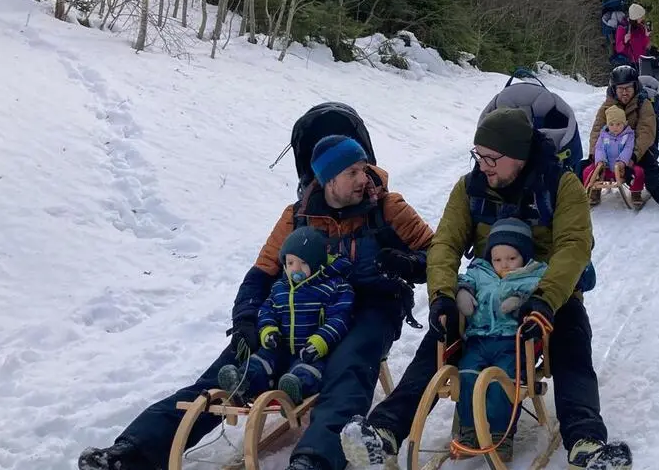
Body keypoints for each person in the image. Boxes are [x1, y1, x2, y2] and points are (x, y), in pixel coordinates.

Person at [78, 135, 434, 470]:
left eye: (364, 169)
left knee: (348, 369)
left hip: (369, 308)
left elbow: (437, 253)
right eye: (352, 172)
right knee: (229, 369)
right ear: (327, 180)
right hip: (300, 307)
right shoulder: (296, 216)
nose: (364, 178)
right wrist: (247, 317)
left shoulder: (388, 207)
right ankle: (134, 450)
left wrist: (408, 263)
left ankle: (315, 459)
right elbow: (263, 272)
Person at [341, 108, 633, 470]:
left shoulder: (561, 185)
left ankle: (586, 441)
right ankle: (384, 433)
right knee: (437, 344)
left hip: (545, 294)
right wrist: (443, 296)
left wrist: (545, 300)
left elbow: (574, 245)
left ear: (519, 156)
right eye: (478, 155)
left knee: (571, 340)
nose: (483, 165)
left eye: (491, 158)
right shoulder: (470, 188)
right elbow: (445, 245)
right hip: (485, 294)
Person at [216, 227, 354, 405]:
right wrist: (267, 330)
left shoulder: (333, 287)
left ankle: (295, 388)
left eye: (303, 263)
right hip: (280, 346)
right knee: (260, 360)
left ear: (317, 262)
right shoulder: (280, 288)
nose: (295, 269)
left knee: (308, 371)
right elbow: (267, 310)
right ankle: (243, 381)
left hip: (312, 351)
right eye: (290, 263)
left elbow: (340, 318)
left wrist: (320, 341)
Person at [452, 218, 548, 462]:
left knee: (502, 382)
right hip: (478, 339)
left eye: (511, 258)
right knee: (467, 376)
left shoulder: (531, 274)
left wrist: (521, 300)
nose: (503, 265)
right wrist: (463, 292)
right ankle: (468, 430)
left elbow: (542, 291)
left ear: (523, 256)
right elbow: (466, 279)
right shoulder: (481, 271)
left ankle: (500, 435)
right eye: (498, 259)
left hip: (512, 342)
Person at [586, 65, 659, 209]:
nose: (624, 92)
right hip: (609, 149)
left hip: (636, 151)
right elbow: (597, 131)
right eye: (620, 88)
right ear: (614, 89)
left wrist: (633, 156)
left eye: (628, 88)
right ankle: (578, 196)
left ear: (635, 87)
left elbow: (646, 132)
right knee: (584, 167)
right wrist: (594, 155)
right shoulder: (607, 107)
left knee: (650, 169)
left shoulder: (643, 104)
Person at [582, 105, 645, 205]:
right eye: (611, 124)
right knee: (588, 171)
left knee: (638, 172)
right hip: (605, 169)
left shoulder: (628, 135)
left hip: (622, 169)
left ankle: (635, 193)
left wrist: (622, 162)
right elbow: (599, 148)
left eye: (618, 124)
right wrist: (600, 161)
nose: (615, 127)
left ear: (624, 124)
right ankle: (594, 191)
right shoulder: (604, 135)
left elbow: (628, 149)